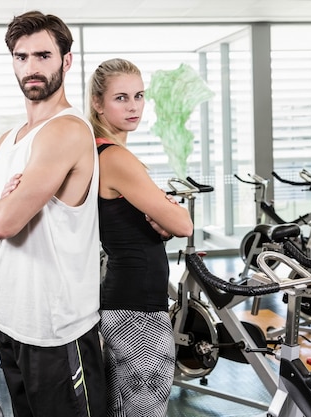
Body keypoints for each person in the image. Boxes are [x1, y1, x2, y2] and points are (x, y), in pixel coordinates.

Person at [0, 11, 105, 417]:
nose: (31, 67)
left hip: (59, 332)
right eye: (21, 57)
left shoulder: (67, 130)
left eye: (43, 55)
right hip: (12, 323)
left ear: (66, 60)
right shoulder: (7, 142)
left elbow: (1, 223)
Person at [88, 58, 193, 417]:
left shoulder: (102, 153)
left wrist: (163, 215)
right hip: (138, 312)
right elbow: (184, 225)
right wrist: (168, 214)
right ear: (97, 103)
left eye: (138, 96)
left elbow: (160, 221)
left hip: (126, 301)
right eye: (120, 98)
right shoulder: (115, 157)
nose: (133, 106)